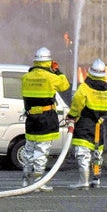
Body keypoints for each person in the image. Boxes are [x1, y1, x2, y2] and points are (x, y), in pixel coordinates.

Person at [20, 46, 70, 189]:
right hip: (46, 117)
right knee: (41, 150)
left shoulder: (26, 77)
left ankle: (25, 180)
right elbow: (64, 84)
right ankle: (38, 183)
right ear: (48, 62)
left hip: (31, 118)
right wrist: (56, 70)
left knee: (29, 149)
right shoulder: (51, 77)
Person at [66, 58, 107, 189]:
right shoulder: (106, 92)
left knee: (83, 152)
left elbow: (77, 104)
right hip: (98, 126)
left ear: (90, 72)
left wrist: (71, 116)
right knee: (97, 153)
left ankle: (83, 180)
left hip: (85, 124)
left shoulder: (84, 88)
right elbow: (106, 109)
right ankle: (96, 180)